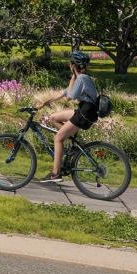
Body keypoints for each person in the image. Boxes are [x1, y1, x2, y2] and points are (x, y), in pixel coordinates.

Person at [37, 50, 100, 184]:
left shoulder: (82, 78)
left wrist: (72, 77)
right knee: (53, 117)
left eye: (70, 63)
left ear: (73, 65)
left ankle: (55, 174)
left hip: (85, 113)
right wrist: (47, 101)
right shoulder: (81, 78)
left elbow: (71, 96)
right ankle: (72, 142)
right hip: (84, 110)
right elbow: (65, 92)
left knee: (58, 138)